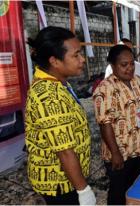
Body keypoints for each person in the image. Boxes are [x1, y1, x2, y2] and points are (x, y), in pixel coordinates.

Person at [25, 26, 96, 205]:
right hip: (60, 182)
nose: (83, 60)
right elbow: (64, 151)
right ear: (54, 61)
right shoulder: (49, 96)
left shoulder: (58, 83)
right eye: (76, 55)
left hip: (67, 177)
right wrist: (83, 190)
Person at [93, 44, 140, 205]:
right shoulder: (105, 88)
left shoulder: (139, 82)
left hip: (139, 146)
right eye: (124, 65)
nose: (129, 68)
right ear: (112, 66)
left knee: (136, 188)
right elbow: (104, 123)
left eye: (132, 63)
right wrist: (115, 153)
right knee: (118, 192)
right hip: (119, 152)